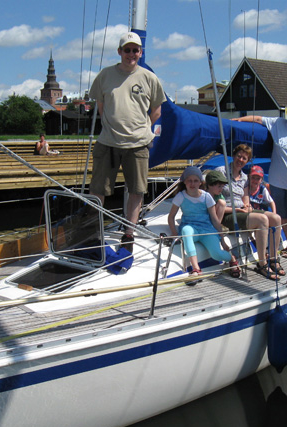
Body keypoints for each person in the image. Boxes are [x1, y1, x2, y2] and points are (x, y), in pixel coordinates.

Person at [89, 31, 166, 253]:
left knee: (137, 190)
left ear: (140, 53)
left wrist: (140, 129)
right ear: (120, 52)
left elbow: (157, 111)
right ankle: (94, 233)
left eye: (135, 50)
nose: (131, 54)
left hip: (138, 144)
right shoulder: (105, 76)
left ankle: (129, 234)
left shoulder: (149, 78)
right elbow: (101, 108)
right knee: (98, 190)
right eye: (127, 50)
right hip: (108, 142)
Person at [233, 99, 287, 265]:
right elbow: (258, 119)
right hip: (278, 182)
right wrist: (240, 120)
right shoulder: (278, 124)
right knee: (284, 217)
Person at [215, 144, 284, 279]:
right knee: (263, 220)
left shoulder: (245, 177)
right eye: (239, 156)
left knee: (276, 218)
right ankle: (262, 264)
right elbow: (213, 199)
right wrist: (237, 209)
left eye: (244, 158)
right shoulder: (221, 172)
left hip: (242, 212)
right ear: (233, 156)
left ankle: (273, 259)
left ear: (247, 161)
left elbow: (245, 198)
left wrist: (247, 206)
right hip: (226, 213)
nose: (240, 160)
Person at [167, 167, 240, 283]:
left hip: (206, 229)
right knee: (186, 230)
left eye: (195, 180)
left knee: (216, 255)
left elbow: (215, 220)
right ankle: (196, 269)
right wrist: (175, 234)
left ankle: (231, 258)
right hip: (191, 228)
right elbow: (171, 217)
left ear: (200, 182)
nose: (192, 183)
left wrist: (222, 240)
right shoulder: (180, 196)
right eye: (189, 180)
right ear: (184, 182)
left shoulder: (206, 197)